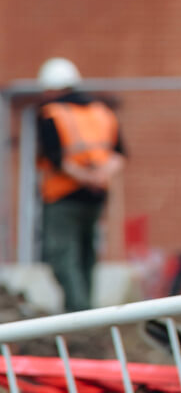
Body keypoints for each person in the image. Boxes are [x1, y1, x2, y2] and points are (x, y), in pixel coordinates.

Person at [35, 57, 125, 312]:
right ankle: (86, 312)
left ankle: (79, 312)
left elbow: (57, 161)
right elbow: (119, 155)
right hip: (96, 196)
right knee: (86, 255)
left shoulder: (52, 113)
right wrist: (99, 178)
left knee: (62, 255)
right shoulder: (102, 112)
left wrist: (85, 178)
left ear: (50, 88)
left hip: (63, 197)